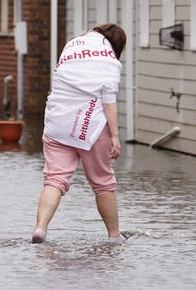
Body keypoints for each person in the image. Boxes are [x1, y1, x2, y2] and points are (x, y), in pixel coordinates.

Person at [31, 23, 127, 244]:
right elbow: (108, 101)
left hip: (57, 122)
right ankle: (114, 236)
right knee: (103, 183)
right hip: (90, 126)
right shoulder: (110, 61)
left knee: (54, 179)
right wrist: (114, 136)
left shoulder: (72, 46)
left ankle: (40, 228)